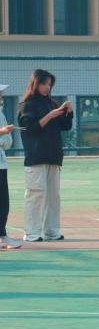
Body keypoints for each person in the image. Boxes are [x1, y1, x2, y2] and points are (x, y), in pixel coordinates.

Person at [17, 69, 73, 242]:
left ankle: (52, 231)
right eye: (44, 83)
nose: (47, 87)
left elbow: (65, 126)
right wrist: (50, 115)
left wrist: (68, 112)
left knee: (53, 196)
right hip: (36, 156)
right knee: (35, 194)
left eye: (49, 84)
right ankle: (31, 233)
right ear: (35, 84)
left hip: (53, 156)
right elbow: (31, 129)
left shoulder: (52, 104)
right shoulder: (27, 105)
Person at [0, 83, 22, 249]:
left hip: (1, 164)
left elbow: (8, 143)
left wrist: (4, 136)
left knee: (3, 203)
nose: (1, 96)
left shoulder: (1, 114)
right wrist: (2, 133)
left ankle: (2, 235)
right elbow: (4, 138)